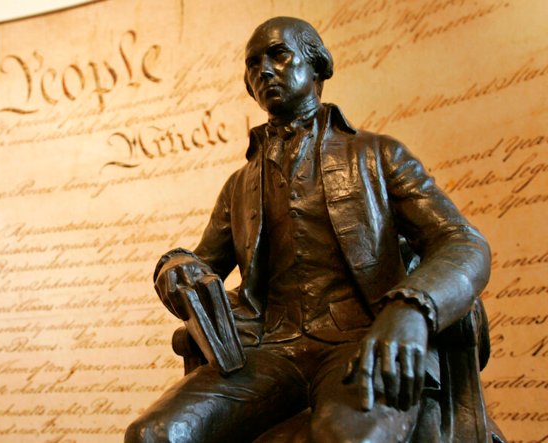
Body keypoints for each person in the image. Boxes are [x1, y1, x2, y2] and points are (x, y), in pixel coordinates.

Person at [126, 17, 492, 443]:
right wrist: (174, 266)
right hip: (270, 351)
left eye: (278, 55)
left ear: (317, 67)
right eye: (252, 64)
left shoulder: (376, 155)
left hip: (361, 342)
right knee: (153, 434)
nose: (262, 70)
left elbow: (461, 240)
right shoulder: (240, 185)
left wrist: (411, 310)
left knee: (347, 438)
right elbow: (203, 263)